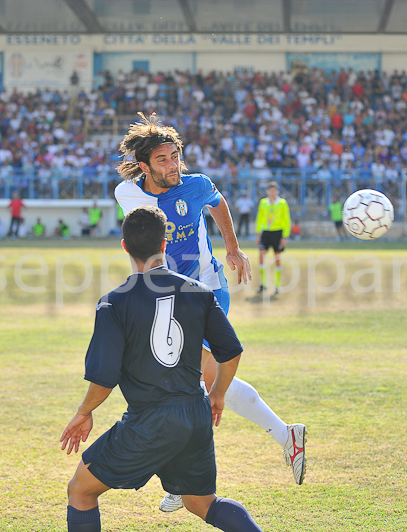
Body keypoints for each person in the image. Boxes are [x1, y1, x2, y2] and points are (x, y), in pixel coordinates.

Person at [114, 114, 306, 514]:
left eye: (176, 157)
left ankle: (274, 441)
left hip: (205, 291)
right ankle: (279, 437)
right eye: (163, 160)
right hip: (170, 297)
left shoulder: (196, 184)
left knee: (192, 380)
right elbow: (151, 219)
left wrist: (232, 246)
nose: (173, 166)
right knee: (192, 385)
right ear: (145, 167)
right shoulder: (129, 195)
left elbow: (218, 204)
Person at [61, 205, 264, 532]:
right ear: (165, 244)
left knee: (81, 490)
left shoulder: (114, 302)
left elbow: (104, 378)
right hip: (195, 415)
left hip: (150, 422)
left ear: (124, 246)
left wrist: (84, 412)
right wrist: (218, 396)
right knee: (201, 502)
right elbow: (231, 352)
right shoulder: (199, 293)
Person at [255, 181, 291, 294]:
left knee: (277, 258)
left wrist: (285, 236)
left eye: (274, 190)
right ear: (267, 191)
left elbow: (287, 220)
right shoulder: (263, 203)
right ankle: (263, 284)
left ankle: (277, 285)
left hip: (278, 233)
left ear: (277, 191)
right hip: (266, 233)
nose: (272, 192)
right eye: (270, 190)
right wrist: (257, 234)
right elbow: (259, 218)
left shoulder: (282, 203)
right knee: (261, 255)